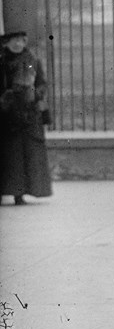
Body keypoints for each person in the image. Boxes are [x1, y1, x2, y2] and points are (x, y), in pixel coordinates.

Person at [0, 30, 53, 205]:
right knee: (10, 155)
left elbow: (41, 83)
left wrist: (35, 94)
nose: (17, 44)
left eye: (21, 41)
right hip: (6, 114)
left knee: (26, 154)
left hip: (29, 114)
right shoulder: (2, 61)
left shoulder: (31, 61)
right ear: (6, 43)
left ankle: (20, 193)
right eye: (13, 40)